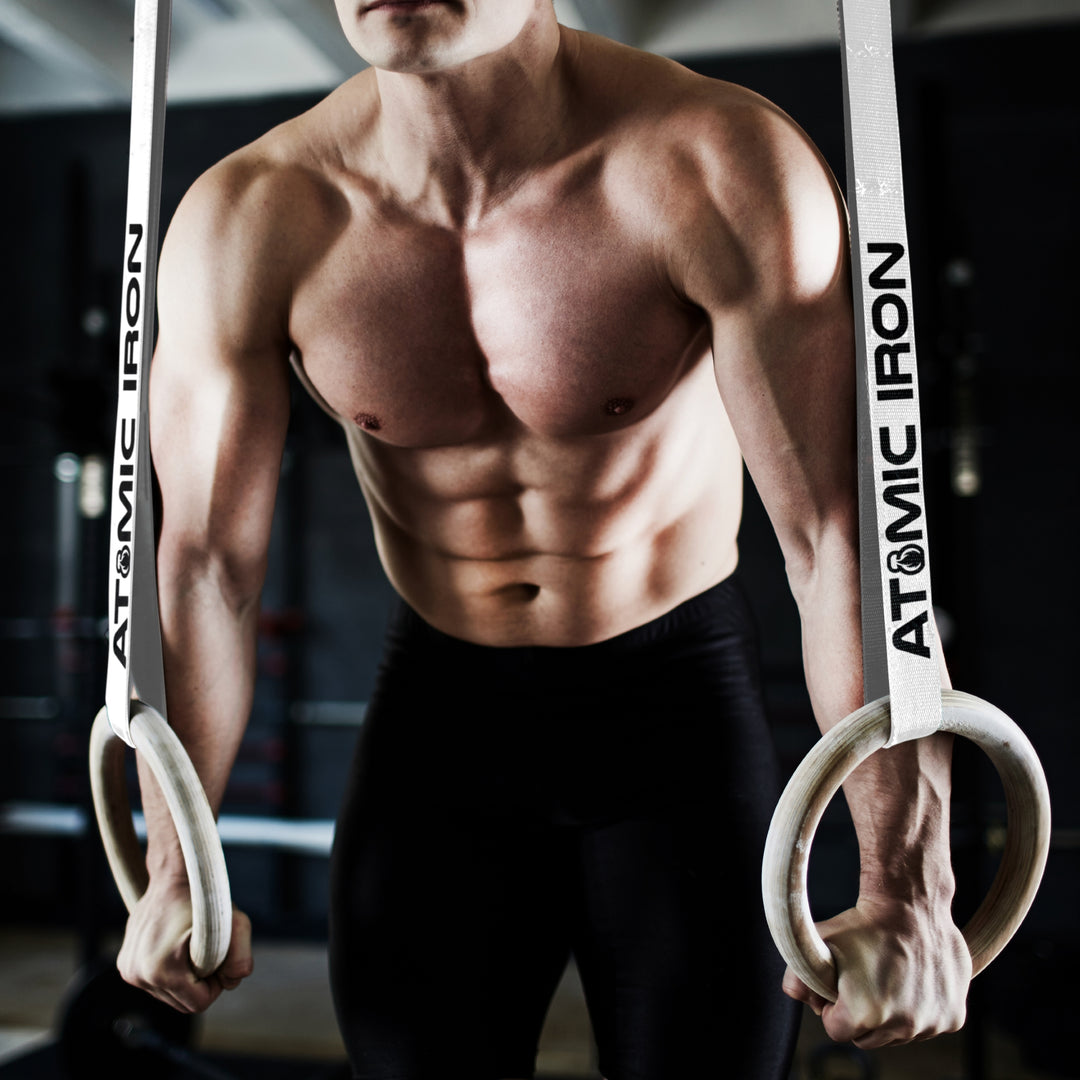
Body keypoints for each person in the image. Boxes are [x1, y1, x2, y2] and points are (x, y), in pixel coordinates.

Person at [116, 1, 971, 1077]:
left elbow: (846, 543)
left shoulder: (714, 162)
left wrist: (908, 882)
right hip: (442, 727)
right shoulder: (254, 215)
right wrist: (173, 861)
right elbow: (202, 571)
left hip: (676, 722)